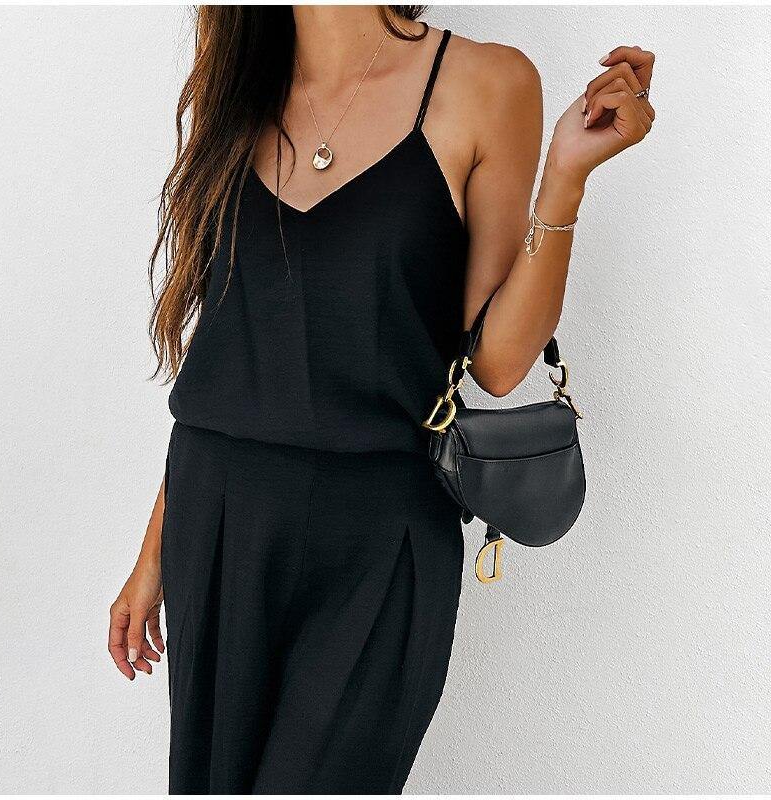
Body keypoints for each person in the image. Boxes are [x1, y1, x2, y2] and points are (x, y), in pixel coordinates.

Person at [108, 6, 655, 793]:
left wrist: (564, 176)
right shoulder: (239, 83)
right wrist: (154, 553)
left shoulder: (488, 82)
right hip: (220, 517)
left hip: (381, 531)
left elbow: (499, 364)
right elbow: (226, 354)